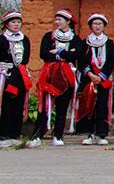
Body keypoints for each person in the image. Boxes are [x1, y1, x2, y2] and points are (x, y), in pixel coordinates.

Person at [36, 9, 82, 147]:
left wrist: (60, 53)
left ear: (68, 22)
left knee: (62, 105)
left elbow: (77, 55)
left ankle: (58, 135)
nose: (57, 22)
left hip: (67, 74)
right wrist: (62, 55)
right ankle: (38, 134)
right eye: (56, 19)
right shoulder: (48, 36)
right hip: (50, 73)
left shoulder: (75, 39)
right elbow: (43, 53)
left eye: (60, 20)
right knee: (45, 104)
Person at [79, 14, 114, 146]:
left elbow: (110, 62)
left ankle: (102, 134)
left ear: (104, 26)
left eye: (100, 24)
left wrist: (100, 76)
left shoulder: (109, 43)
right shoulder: (85, 43)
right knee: (89, 106)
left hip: (103, 80)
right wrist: (90, 74)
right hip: (89, 79)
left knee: (102, 106)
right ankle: (89, 134)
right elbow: (82, 61)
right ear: (91, 26)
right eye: (95, 24)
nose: (97, 26)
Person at [0, 11, 33, 148]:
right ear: (7, 24)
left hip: (20, 74)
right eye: (13, 22)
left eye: (18, 22)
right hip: (5, 74)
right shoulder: (2, 39)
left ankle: (15, 134)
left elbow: (26, 58)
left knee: (18, 103)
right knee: (6, 103)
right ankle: (4, 134)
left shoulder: (24, 39)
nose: (16, 25)